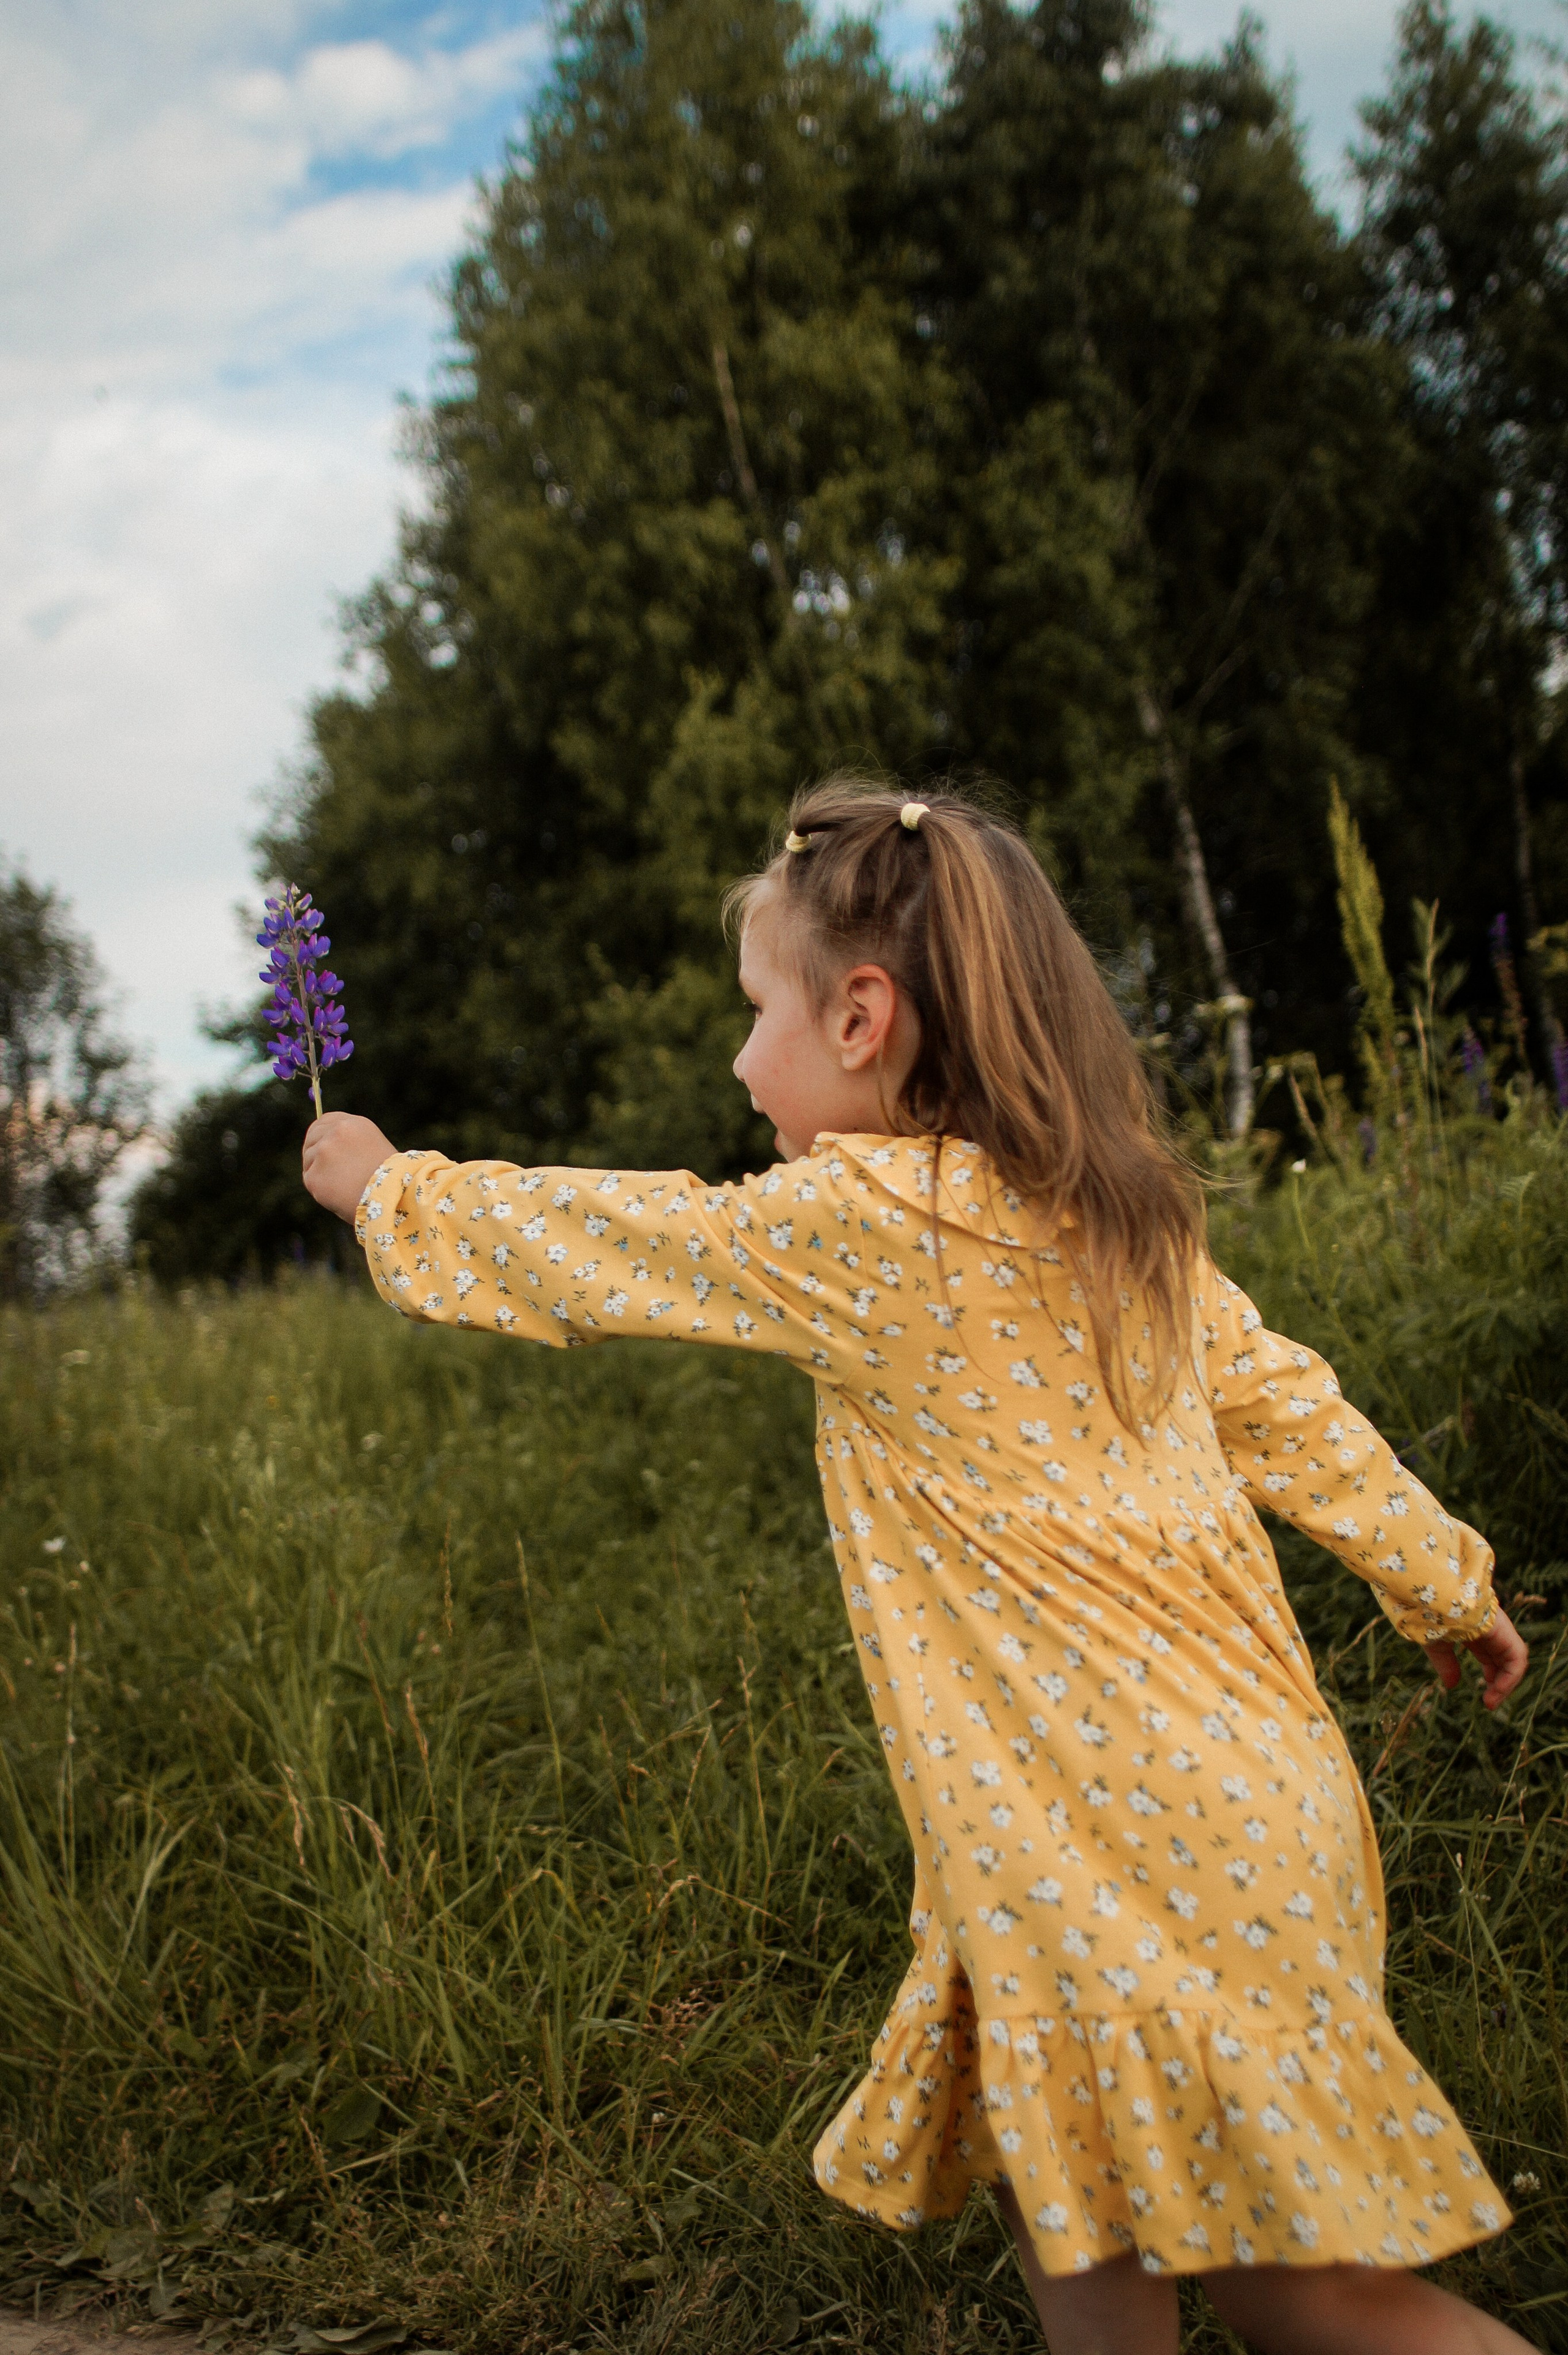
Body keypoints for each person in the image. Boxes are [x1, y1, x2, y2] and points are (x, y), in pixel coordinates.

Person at [301, 778, 1532, 2355]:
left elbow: (631, 1242)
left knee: (1302, 2287)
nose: (744, 1062)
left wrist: (397, 1190)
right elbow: (1285, 1405)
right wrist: (1440, 1576)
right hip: (1246, 1798)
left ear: (862, 1017)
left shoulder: (865, 1221)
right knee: (1060, 2168)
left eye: (759, 1016)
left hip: (1099, 1825)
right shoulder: (1117, 1217)